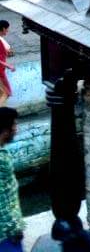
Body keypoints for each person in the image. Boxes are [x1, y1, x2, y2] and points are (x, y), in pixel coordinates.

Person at [0, 108, 23, 252]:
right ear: (5, 130)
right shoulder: (0, 158)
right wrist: (13, 228)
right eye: (14, 125)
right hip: (5, 235)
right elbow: (2, 199)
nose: (16, 129)